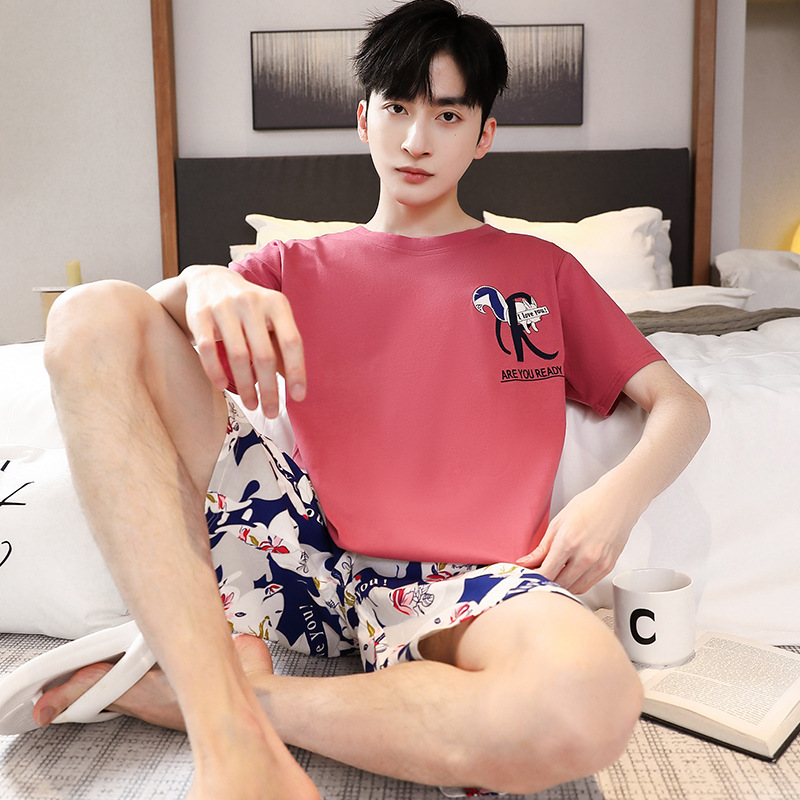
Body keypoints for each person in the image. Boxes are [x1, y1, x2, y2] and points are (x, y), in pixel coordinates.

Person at [32, 1, 709, 798]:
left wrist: (614, 501)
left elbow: (681, 406)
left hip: (469, 586)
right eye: (397, 109)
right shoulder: (294, 264)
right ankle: (229, 744)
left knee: (591, 703)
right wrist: (203, 278)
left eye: (447, 115)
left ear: (484, 134)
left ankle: (216, 700)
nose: (417, 140)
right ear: (364, 119)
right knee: (84, 313)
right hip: (295, 547)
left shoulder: (542, 270)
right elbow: (120, 344)